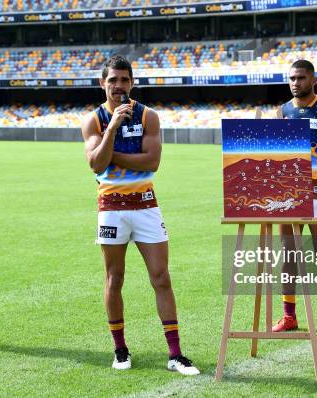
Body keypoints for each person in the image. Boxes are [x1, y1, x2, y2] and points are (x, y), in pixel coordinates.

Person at [81, 55, 199, 375]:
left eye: (124, 80)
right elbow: (95, 165)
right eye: (113, 80)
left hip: (146, 205)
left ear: (132, 82)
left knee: (161, 277)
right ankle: (120, 349)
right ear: (102, 83)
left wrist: (111, 158)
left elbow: (151, 162)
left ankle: (175, 354)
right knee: (114, 279)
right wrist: (113, 128)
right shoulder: (94, 120)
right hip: (111, 208)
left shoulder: (149, 117)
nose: (119, 86)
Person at [273, 59, 317, 332]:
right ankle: (289, 315)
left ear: (313, 79)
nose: (295, 83)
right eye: (291, 78)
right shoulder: (282, 112)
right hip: (289, 196)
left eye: (300, 77)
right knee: (288, 254)